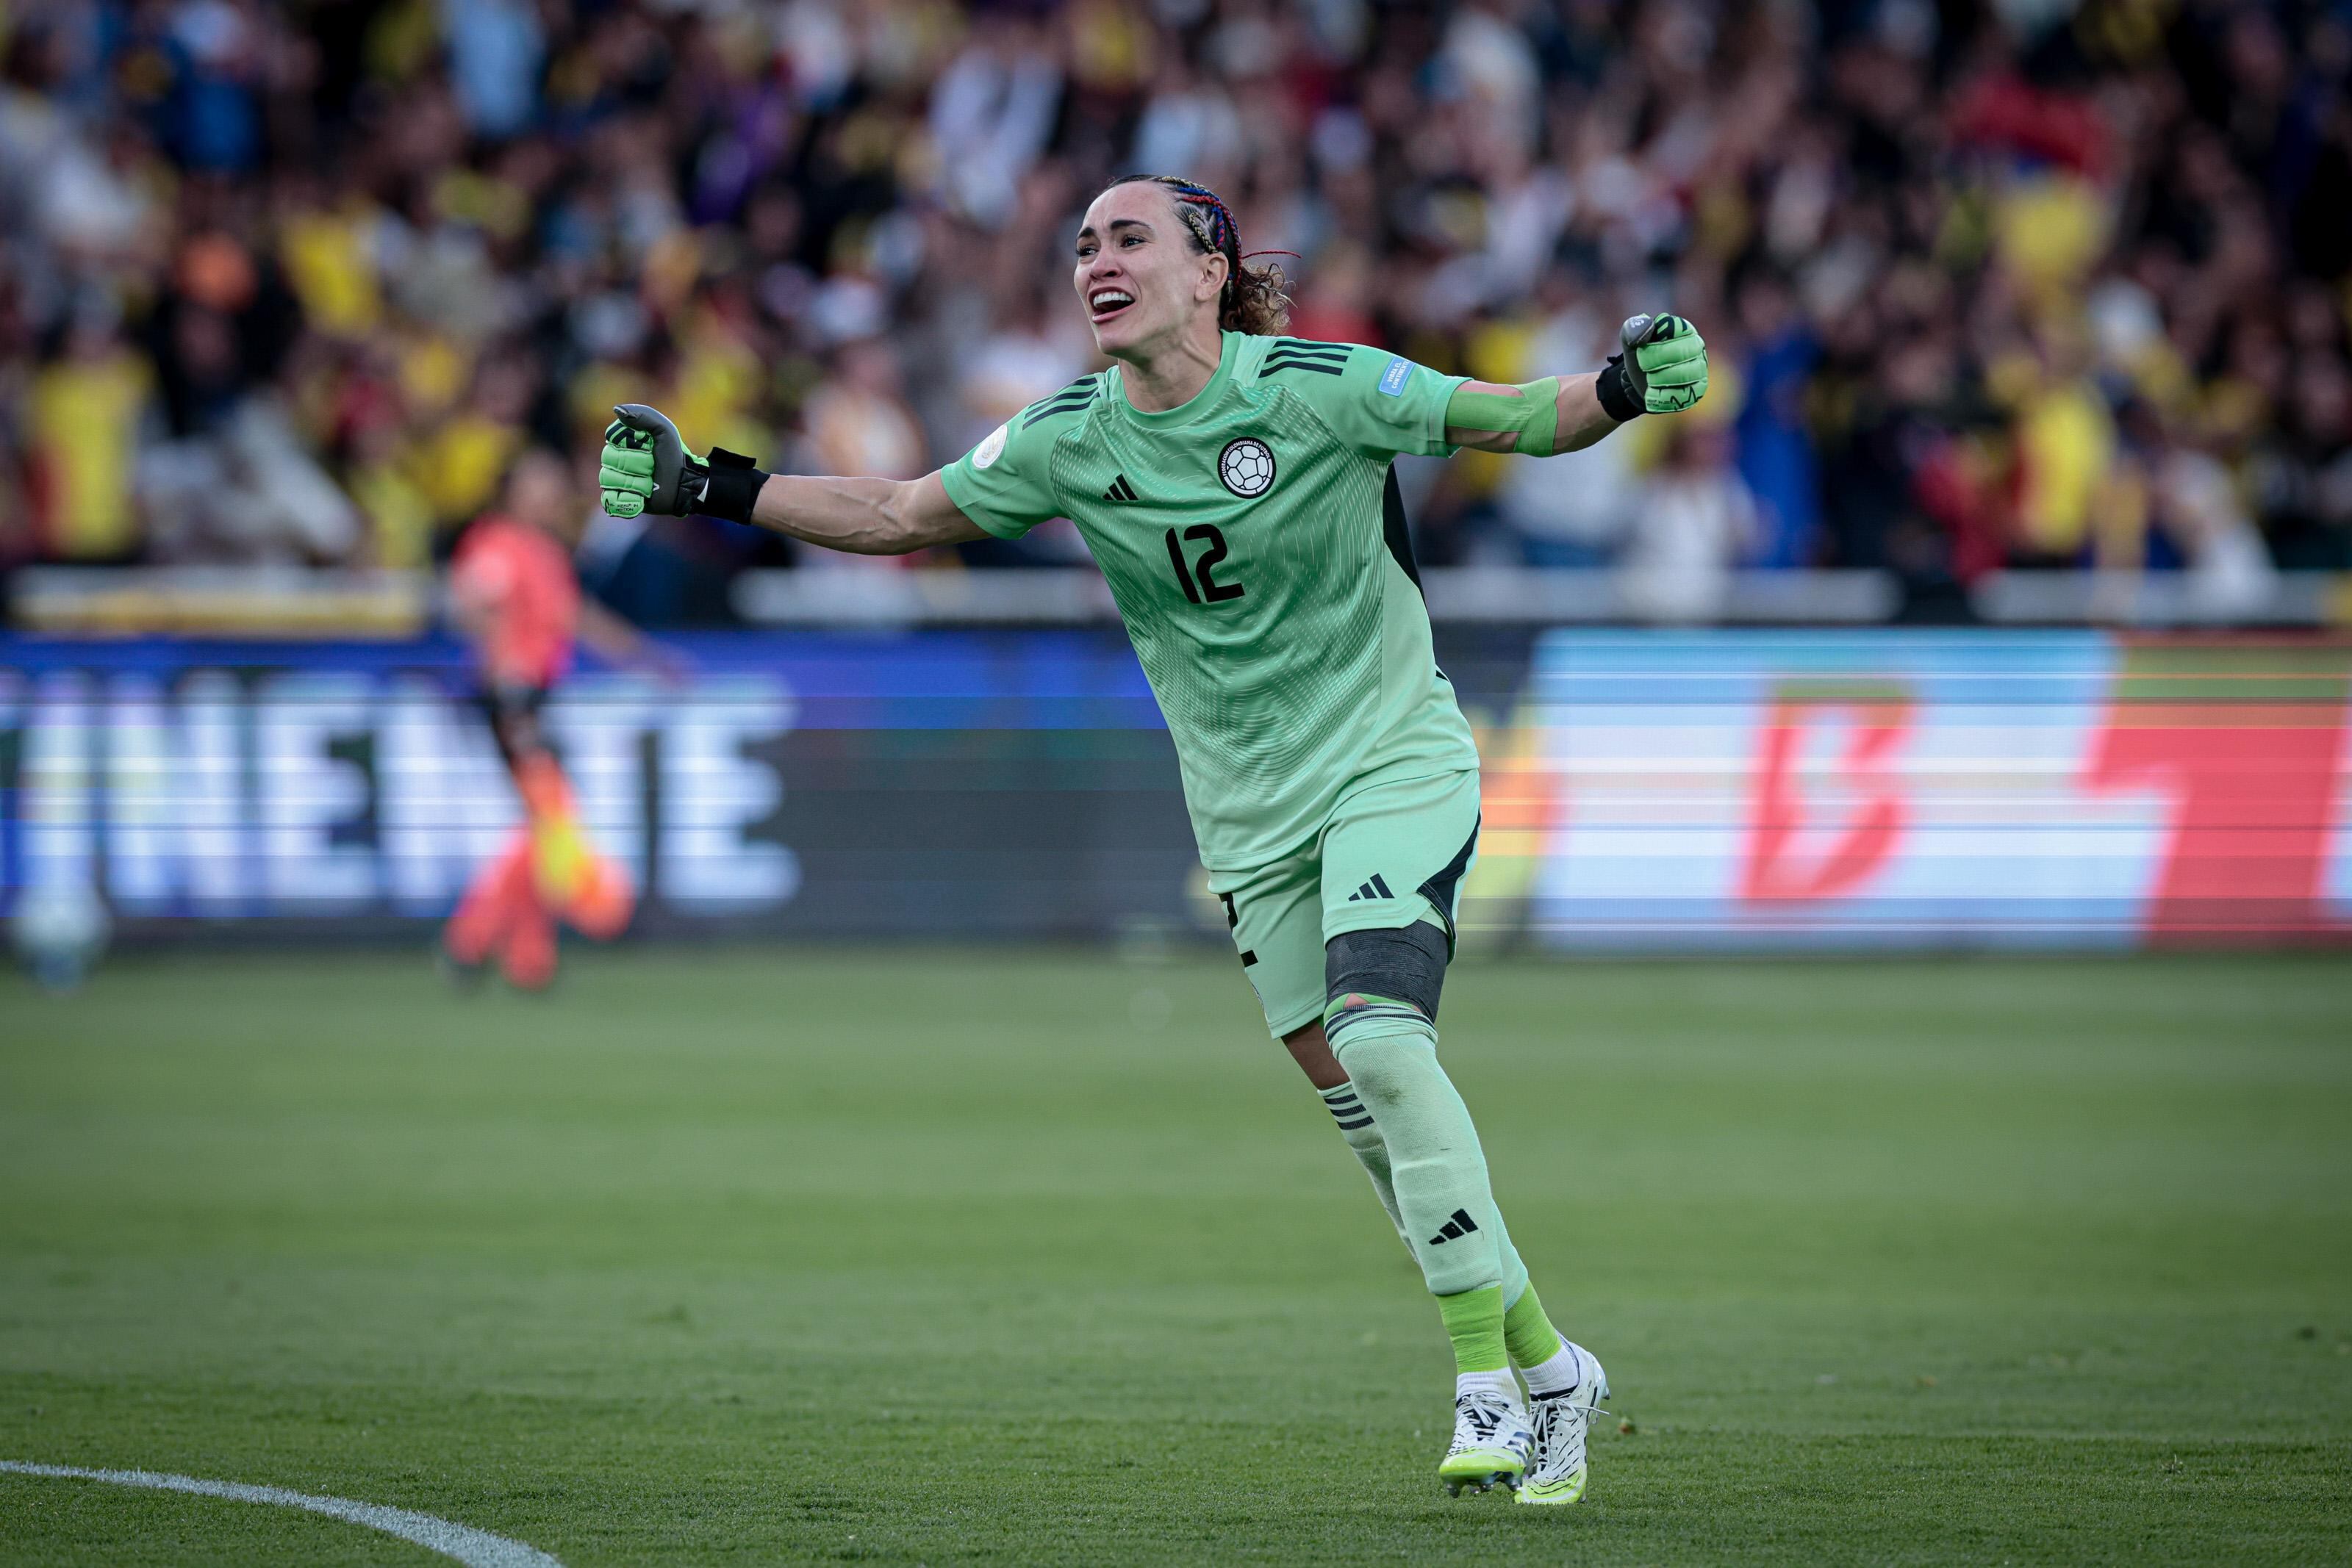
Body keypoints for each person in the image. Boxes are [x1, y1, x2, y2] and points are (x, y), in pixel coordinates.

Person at [598, 174, 1707, 1502]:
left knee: (1378, 1035)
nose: (1095, 263)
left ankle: (1485, 1385)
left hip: (1392, 760)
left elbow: (1520, 416)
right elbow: (897, 515)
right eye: (1081, 247)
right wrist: (707, 481)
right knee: (1368, 1111)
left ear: (1206, 269)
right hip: (1247, 816)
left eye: (1128, 238)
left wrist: (1627, 387)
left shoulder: (1321, 384)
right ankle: (1551, 1366)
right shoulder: (1069, 435)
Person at [444, 448, 664, 989]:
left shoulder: (543, 551)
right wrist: (503, 668)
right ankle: (473, 941)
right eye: (539, 481)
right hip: (513, 700)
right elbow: (471, 607)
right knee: (551, 815)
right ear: (512, 490)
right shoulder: (495, 542)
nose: (549, 492)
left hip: (535, 698)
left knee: (542, 824)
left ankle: (524, 954)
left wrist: (645, 657)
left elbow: (575, 619)